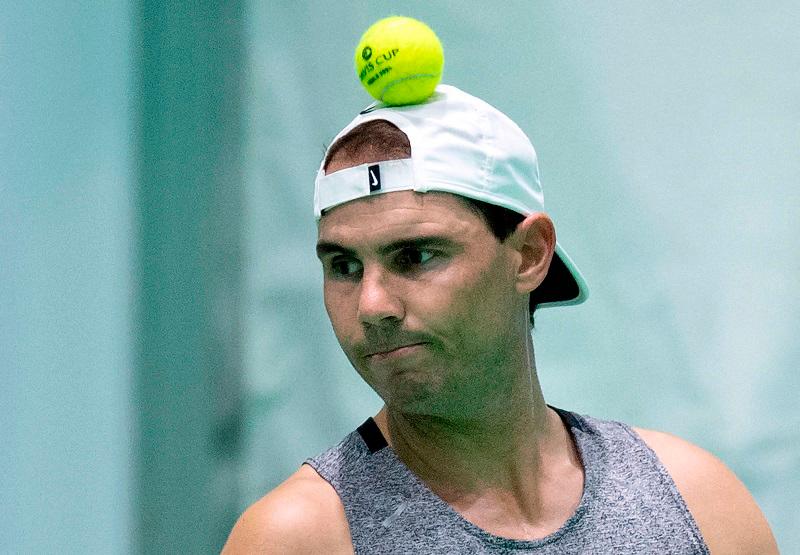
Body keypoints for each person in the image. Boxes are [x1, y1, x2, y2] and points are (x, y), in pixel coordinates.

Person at [223, 85, 777, 554]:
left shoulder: (700, 503)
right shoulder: (300, 537)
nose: (371, 305)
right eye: (343, 266)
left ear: (530, 253)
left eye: (415, 256)